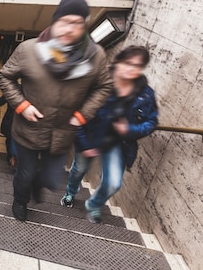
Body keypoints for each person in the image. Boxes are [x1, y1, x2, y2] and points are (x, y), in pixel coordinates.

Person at [0, 0, 112, 222]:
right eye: (64, 21)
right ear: (54, 21)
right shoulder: (28, 50)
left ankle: (35, 186)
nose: (69, 28)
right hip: (29, 130)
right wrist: (21, 104)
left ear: (85, 26)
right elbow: (5, 76)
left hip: (63, 133)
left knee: (51, 180)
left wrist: (83, 115)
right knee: (25, 174)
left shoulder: (95, 56)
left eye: (77, 23)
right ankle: (20, 201)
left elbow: (104, 86)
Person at [61, 45, 158, 223]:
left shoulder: (145, 93)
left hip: (118, 143)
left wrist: (128, 130)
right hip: (90, 137)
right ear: (118, 61)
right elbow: (78, 113)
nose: (131, 69)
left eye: (137, 66)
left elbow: (151, 122)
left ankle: (94, 204)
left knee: (114, 182)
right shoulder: (98, 82)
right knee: (79, 169)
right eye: (128, 63)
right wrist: (83, 143)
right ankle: (70, 192)